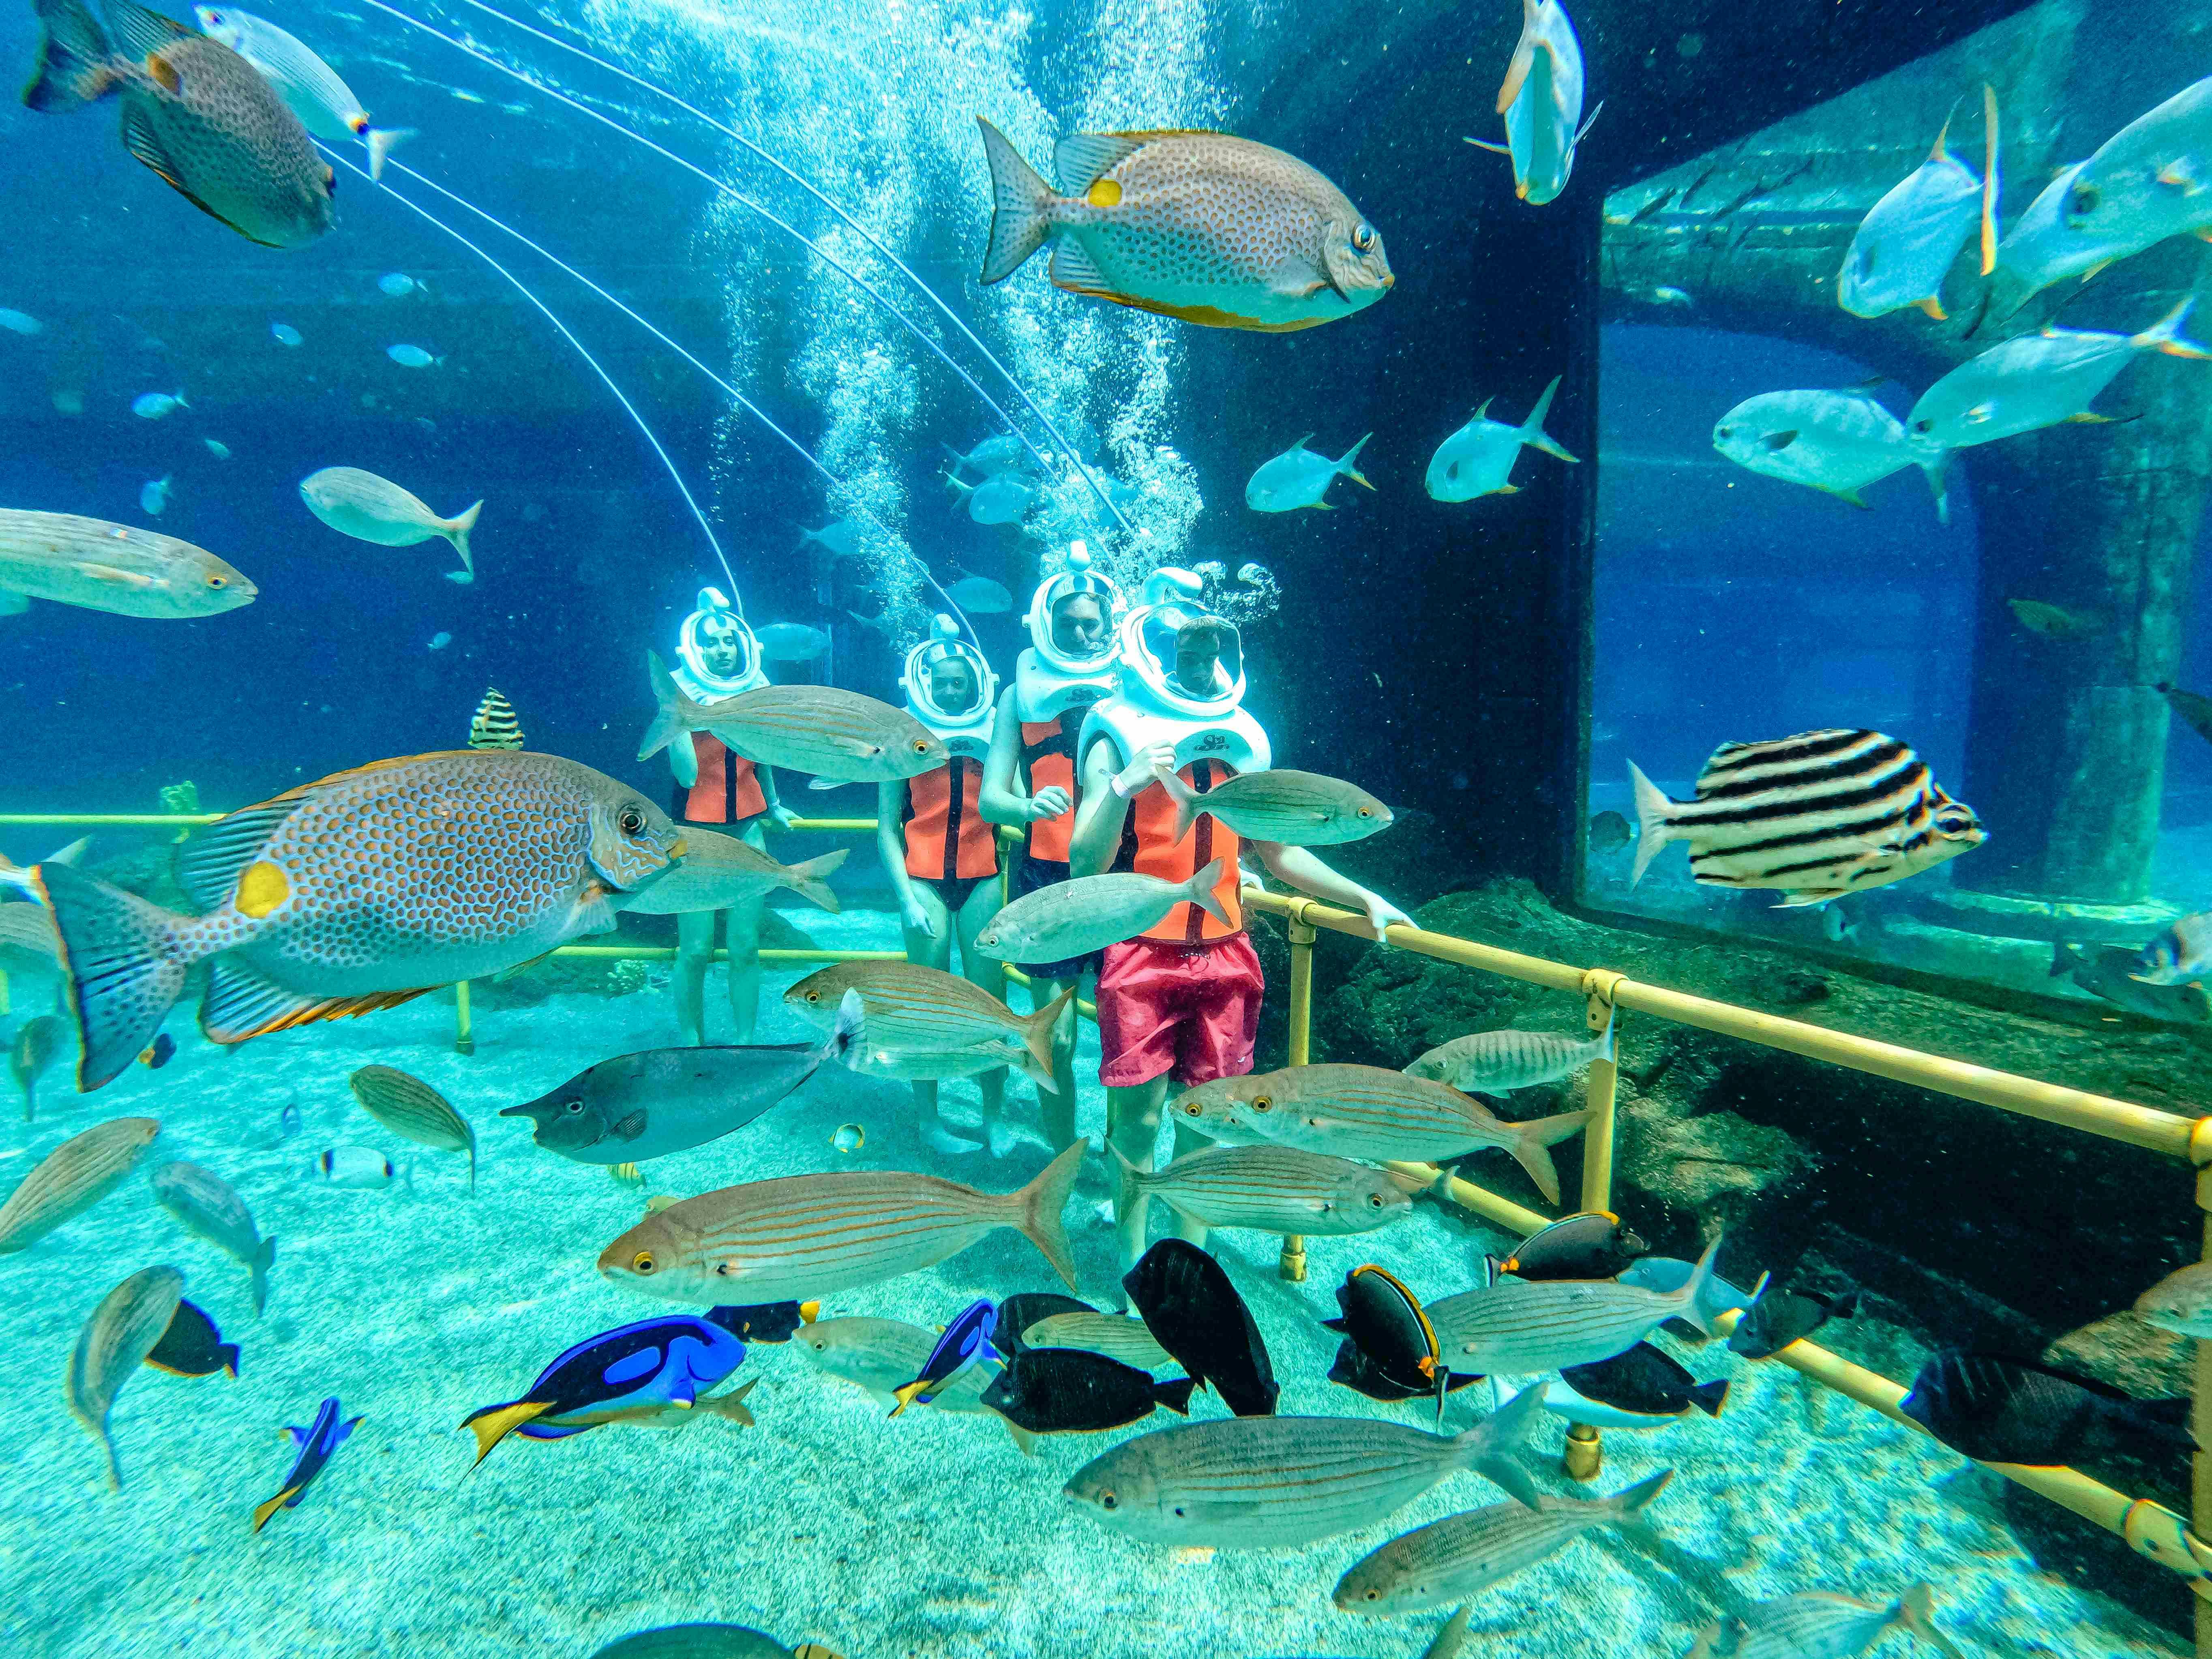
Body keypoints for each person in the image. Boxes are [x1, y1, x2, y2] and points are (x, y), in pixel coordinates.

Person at [1070, 568, 1413, 1271]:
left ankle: (1185, 1269)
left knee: (1213, 1120)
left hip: (1227, 953)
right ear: (1155, 652)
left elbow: (1278, 853)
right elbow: (1083, 861)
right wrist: (1124, 784)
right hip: (1141, 951)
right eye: (1186, 651)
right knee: (1134, 1123)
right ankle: (1134, 1269)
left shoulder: (1243, 741)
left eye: (1210, 650)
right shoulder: (1115, 731)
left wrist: (1361, 896)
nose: (1199, 664)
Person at [980, 544, 1125, 1152]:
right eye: (1070, 623)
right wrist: (1024, 806)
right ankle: (1064, 1152)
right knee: (1056, 1038)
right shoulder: (1018, 694)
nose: (1083, 633)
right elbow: (991, 797)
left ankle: (1122, 1168)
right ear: (1046, 624)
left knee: (1128, 1036)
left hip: (1123, 873)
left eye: (1093, 623)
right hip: (1046, 876)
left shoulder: (1133, 683)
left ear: (1112, 624)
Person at [878, 616, 1013, 1155]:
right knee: (925, 1009)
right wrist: (906, 898)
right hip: (924, 881)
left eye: (960, 683)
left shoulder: (995, 733)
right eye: (942, 683)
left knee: (990, 1005)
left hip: (984, 879)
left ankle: (994, 1116)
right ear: (925, 684)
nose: (951, 690)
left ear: (975, 683)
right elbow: (887, 826)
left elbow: (1013, 798)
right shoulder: (900, 737)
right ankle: (928, 1119)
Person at [662, 587, 798, 1045]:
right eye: (711, 643)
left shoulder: (756, 688)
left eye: (727, 641)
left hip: (748, 829)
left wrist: (775, 805)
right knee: (695, 950)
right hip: (692, 837)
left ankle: (743, 1043)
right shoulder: (676, 689)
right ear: (694, 649)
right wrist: (680, 713)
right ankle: (690, 1042)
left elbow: (765, 754)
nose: (722, 650)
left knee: (744, 947)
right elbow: (684, 777)